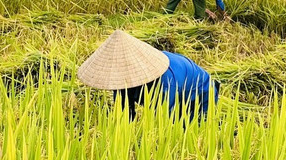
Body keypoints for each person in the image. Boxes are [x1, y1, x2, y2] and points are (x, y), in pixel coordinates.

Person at [77, 30, 218, 119]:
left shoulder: (166, 83)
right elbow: (125, 112)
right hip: (176, 87)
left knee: (189, 129)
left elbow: (165, 122)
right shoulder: (122, 80)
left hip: (201, 93)